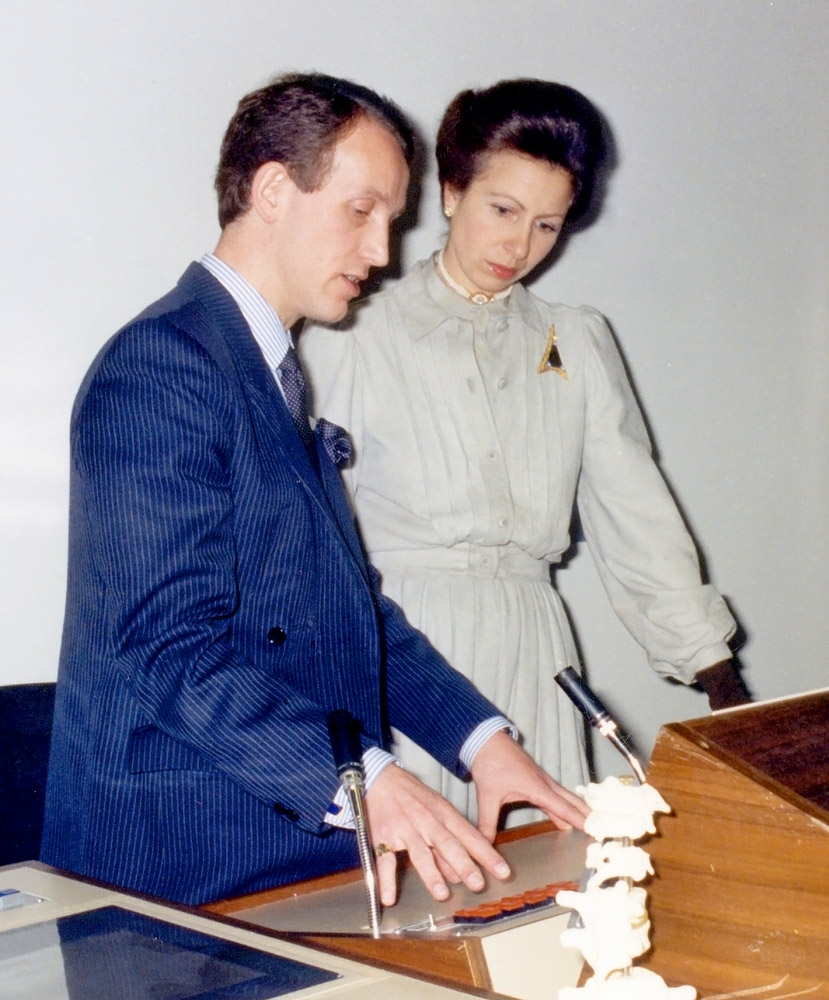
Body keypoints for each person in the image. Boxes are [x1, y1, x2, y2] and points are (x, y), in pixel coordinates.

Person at [40, 73, 589, 908]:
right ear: (271, 189)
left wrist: (480, 741)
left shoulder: (268, 371)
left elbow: (349, 612)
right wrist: (367, 778)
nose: (381, 252)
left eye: (393, 221)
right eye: (360, 212)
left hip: (279, 844)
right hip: (181, 866)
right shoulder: (162, 367)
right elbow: (168, 650)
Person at [301, 78, 750, 822]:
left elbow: (632, 512)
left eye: (548, 225)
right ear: (450, 192)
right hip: (400, 652)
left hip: (534, 646)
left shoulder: (571, 340)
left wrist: (716, 674)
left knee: (550, 887)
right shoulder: (353, 331)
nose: (519, 246)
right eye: (501, 210)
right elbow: (307, 538)